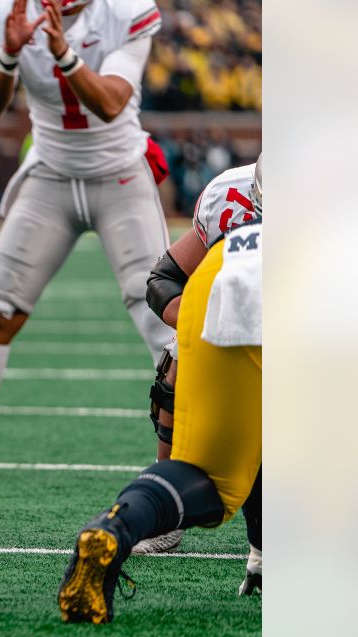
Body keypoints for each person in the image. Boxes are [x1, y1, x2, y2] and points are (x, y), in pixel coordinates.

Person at [0, 0, 174, 478]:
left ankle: (182, 457)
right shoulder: (8, 11)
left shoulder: (125, 10)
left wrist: (64, 53)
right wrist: (8, 56)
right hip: (51, 174)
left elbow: (112, 103)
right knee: (1, 309)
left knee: (161, 313)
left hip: (118, 174)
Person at [58, 216, 262, 623]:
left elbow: (165, 277)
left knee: (210, 478)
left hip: (219, 276)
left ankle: (115, 527)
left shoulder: (232, 190)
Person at [137, 155, 262, 578]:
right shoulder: (231, 196)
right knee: (176, 364)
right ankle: (166, 518)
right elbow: (164, 279)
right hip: (240, 324)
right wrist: (194, 323)